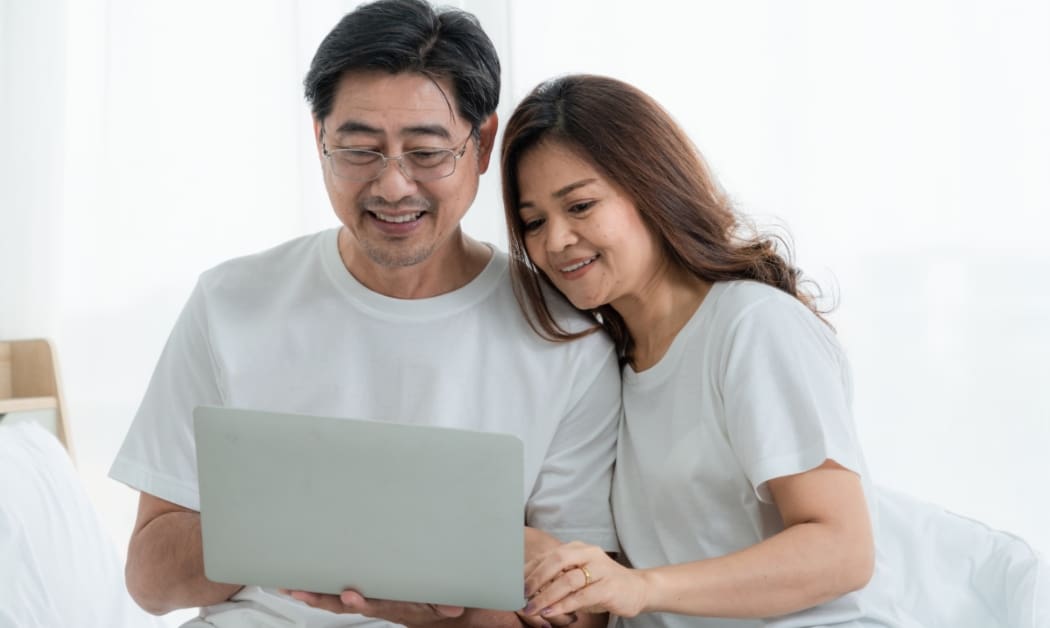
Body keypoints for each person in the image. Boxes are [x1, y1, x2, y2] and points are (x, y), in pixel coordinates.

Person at [109, 4, 620, 628]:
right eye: (358, 150)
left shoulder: (565, 340)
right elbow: (149, 582)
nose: (394, 186)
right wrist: (298, 521)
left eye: (427, 152)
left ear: (482, 145)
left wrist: (427, 608)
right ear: (317, 138)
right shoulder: (230, 302)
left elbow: (584, 617)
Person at [502, 75, 921, 627]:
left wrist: (642, 588)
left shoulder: (751, 326)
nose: (555, 241)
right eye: (534, 222)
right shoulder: (606, 366)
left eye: (580, 205)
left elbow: (842, 551)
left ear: (650, 189)